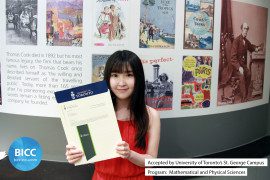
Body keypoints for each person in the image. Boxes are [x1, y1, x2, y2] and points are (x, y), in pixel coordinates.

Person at [65, 50, 160, 179]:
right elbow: (91, 152)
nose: (121, 83)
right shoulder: (94, 112)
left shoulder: (151, 115)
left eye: (129, 75)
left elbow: (152, 162)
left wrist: (129, 154)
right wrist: (77, 154)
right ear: (108, 78)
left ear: (138, 77)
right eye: (115, 75)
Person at [230, 22, 263, 102]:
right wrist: (238, 67)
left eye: (247, 29)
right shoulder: (236, 41)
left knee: (248, 74)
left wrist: (257, 48)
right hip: (235, 66)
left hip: (243, 66)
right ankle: (244, 98)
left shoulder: (246, 41)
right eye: (244, 28)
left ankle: (245, 93)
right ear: (241, 29)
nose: (246, 30)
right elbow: (232, 58)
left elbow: (251, 47)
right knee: (241, 76)